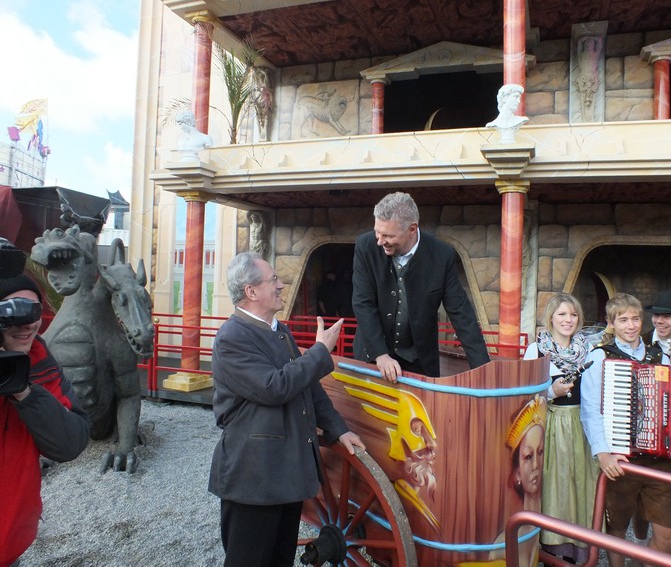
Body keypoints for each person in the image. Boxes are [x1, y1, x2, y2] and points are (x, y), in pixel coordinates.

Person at [208, 251, 364, 567]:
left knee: (279, 560)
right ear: (251, 291)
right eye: (274, 279)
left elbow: (307, 387)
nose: (281, 284)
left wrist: (339, 429)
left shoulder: (278, 330)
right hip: (254, 477)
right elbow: (274, 387)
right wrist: (321, 351)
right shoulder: (232, 338)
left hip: (285, 473)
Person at [580, 293, 671, 567]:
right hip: (620, 457)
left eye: (635, 319)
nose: (630, 325)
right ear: (611, 323)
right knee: (616, 530)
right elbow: (591, 409)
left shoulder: (659, 356)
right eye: (623, 320)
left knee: (670, 537)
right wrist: (603, 453)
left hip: (659, 460)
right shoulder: (600, 357)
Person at [0, 269, 90, 567]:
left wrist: (24, 391)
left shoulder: (39, 363)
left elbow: (69, 444)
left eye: (34, 310)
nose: (27, 324)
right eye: (13, 312)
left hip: (12, 544)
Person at [352, 192, 490, 381]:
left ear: (412, 228)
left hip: (419, 362)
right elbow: (362, 303)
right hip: (372, 357)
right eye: (377, 232)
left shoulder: (442, 255)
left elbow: (461, 314)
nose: (379, 241)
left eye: (388, 235)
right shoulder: (365, 246)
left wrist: (485, 372)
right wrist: (380, 355)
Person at [522, 293, 596, 564]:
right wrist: (551, 391)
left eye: (573, 315)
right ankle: (550, 549)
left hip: (582, 426)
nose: (568, 320)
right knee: (553, 488)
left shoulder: (590, 350)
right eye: (562, 314)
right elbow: (524, 394)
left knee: (580, 485)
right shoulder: (536, 350)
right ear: (551, 317)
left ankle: (578, 549)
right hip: (549, 427)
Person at [487, 396, 547, 567]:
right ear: (517, 473)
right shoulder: (503, 543)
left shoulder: (541, 527)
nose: (536, 465)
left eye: (541, 452)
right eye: (528, 457)